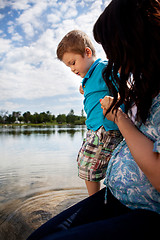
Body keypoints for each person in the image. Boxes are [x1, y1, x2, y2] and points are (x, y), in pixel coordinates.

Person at [27, 0, 160, 239]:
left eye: (115, 48)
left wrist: (118, 118)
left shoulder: (107, 69)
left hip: (145, 210)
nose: (114, 59)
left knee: (88, 165)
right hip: (113, 196)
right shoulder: (145, 87)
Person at [56, 30, 124, 196]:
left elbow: (122, 86)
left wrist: (118, 102)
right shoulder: (88, 79)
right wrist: (85, 88)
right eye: (68, 66)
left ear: (87, 52)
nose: (72, 69)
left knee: (90, 166)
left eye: (73, 62)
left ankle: (94, 200)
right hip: (94, 129)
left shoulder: (103, 68)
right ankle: (99, 198)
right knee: (87, 164)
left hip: (105, 128)